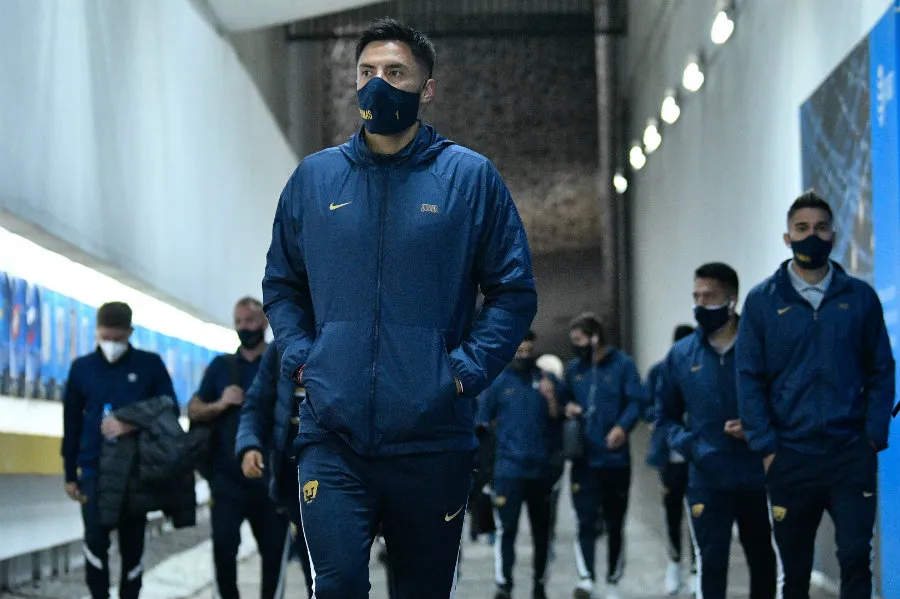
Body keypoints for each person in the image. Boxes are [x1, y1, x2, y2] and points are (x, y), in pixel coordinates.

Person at [261, 17, 537, 599]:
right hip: (332, 436)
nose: (377, 84)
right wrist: (305, 358)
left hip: (432, 439)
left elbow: (512, 292)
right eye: (366, 72)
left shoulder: (469, 179)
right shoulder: (314, 179)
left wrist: (461, 372)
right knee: (335, 588)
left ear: (426, 88)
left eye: (394, 72)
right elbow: (282, 284)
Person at [737, 191, 895, 599]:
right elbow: (749, 377)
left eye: (821, 228)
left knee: (857, 559)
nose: (812, 235)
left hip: (849, 456)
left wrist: (873, 436)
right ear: (787, 237)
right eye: (802, 229)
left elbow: (882, 370)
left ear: (834, 235)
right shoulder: (761, 302)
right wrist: (767, 446)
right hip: (790, 457)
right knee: (794, 572)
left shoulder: (859, 298)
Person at [656, 263, 776, 599]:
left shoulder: (761, 348)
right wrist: (689, 444)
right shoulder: (681, 355)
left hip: (758, 475)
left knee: (763, 560)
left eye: (709, 296)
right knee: (711, 563)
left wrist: (758, 426)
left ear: (732, 299)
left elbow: (784, 401)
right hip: (707, 477)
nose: (700, 303)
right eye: (696, 296)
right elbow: (663, 415)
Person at [61, 302, 176, 599]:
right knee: (95, 542)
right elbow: (71, 423)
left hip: (136, 472)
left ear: (130, 332)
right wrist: (69, 473)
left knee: (133, 545)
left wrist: (130, 423)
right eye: (105, 337)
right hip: (93, 471)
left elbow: (169, 407)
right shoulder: (82, 368)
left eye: (117, 338)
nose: (111, 344)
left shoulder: (149, 365)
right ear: (97, 332)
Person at [188, 297, 289, 599]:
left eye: (250, 321)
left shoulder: (281, 362)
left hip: (272, 482)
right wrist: (220, 404)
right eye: (239, 322)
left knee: (274, 557)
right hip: (227, 481)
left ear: (265, 323)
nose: (245, 328)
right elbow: (194, 409)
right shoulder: (222, 367)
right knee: (223, 552)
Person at [561, 313, 644, 599]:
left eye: (579, 340)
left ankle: (613, 580)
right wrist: (567, 407)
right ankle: (586, 578)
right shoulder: (575, 370)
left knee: (615, 522)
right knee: (584, 521)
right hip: (584, 460)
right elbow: (562, 399)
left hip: (614, 459)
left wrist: (623, 427)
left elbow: (637, 401)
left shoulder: (623, 365)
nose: (576, 346)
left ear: (596, 337)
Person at [477, 331, 563, 599]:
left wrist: (551, 398)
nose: (524, 356)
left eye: (529, 351)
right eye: (520, 351)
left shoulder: (546, 381)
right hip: (508, 472)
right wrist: (487, 471)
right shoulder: (498, 383)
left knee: (542, 534)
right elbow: (482, 425)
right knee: (507, 531)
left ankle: (539, 585)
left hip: (540, 472)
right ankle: (505, 585)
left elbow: (559, 421)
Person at [235, 343, 313, 599]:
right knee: (312, 563)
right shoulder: (280, 348)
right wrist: (249, 445)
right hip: (293, 469)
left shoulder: (349, 334)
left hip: (343, 464)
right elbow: (256, 403)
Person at [643, 324, 695, 595]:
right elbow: (647, 403)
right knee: (672, 513)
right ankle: (675, 564)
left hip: (696, 457)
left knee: (698, 514)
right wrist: (655, 419)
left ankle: (697, 569)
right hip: (670, 457)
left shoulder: (702, 368)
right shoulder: (660, 371)